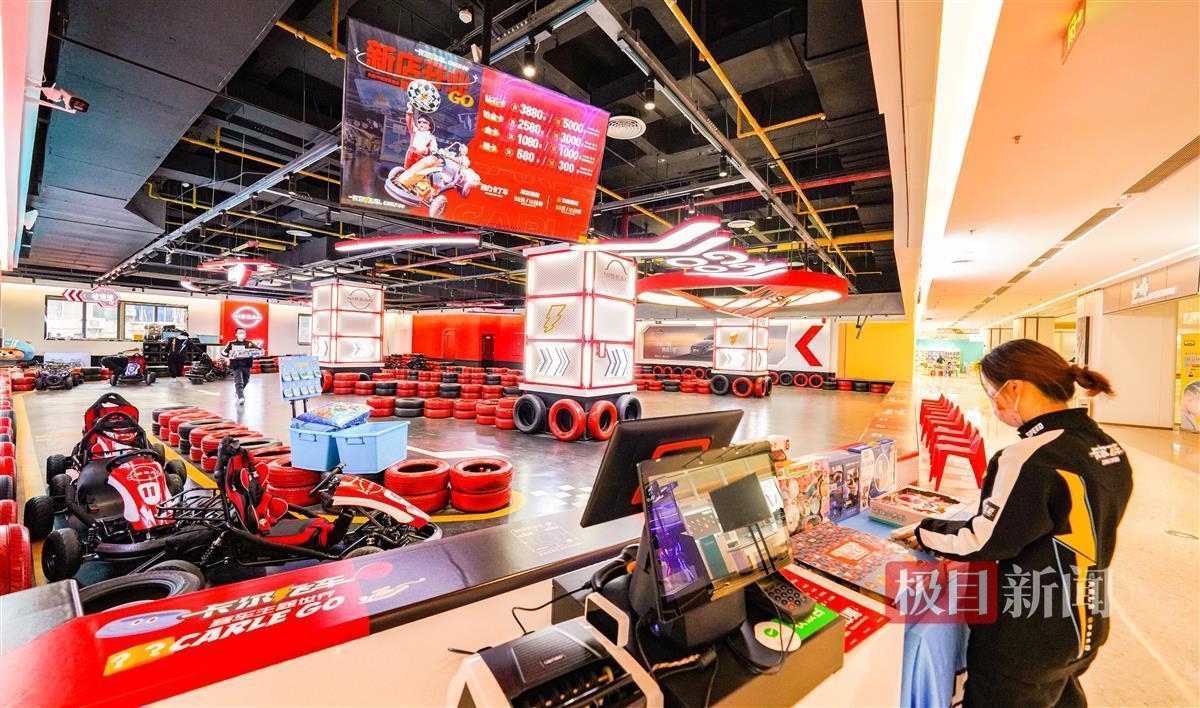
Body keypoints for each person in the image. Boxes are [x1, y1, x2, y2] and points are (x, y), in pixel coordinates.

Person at [914, 339, 1132, 708]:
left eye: (991, 393)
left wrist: (924, 532)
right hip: (1086, 617)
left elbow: (981, 540)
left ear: (1014, 388)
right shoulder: (1107, 447)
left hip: (1027, 629)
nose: (992, 404)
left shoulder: (1028, 456)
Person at [221, 328, 261, 405]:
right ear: (236, 334)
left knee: (246, 380)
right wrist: (229, 355)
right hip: (236, 364)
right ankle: (241, 397)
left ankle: (238, 392)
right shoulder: (231, 343)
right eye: (240, 333)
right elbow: (223, 352)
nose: (242, 334)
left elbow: (258, 349)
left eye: (243, 333)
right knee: (239, 381)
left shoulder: (249, 343)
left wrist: (259, 351)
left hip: (247, 364)